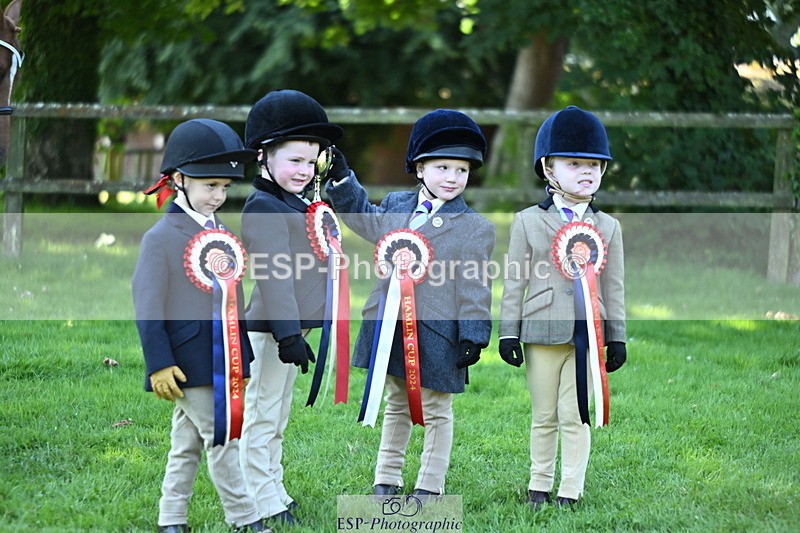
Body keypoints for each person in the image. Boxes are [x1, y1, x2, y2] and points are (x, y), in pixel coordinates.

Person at [325, 109, 495, 496]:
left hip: (437, 334)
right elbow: (365, 220)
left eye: (461, 170)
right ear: (419, 169)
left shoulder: (474, 228)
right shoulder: (397, 205)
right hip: (390, 326)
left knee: (436, 410)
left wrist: (474, 333)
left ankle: (430, 486)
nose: (453, 178)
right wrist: (341, 180)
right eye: (442, 168)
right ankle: (387, 477)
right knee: (396, 402)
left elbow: (475, 286)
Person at [132, 118, 269, 532]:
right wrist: (158, 363)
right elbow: (148, 307)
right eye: (210, 185)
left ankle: (171, 518)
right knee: (225, 438)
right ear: (178, 180)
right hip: (186, 361)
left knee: (186, 443)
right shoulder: (159, 237)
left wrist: (240, 358)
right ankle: (245, 518)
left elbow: (233, 303)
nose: (218, 196)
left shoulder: (221, 232)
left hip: (224, 357)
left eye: (225, 188)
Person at [498, 105, 627, 509]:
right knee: (544, 415)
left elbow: (615, 285)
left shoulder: (608, 227)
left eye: (594, 164)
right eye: (575, 163)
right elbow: (514, 281)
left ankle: (570, 488)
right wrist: (507, 331)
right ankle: (538, 484)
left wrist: (617, 335)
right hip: (540, 331)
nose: (587, 172)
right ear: (549, 168)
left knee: (576, 415)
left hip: (587, 335)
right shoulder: (527, 222)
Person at [238, 89, 344, 526]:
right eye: (294, 160)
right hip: (269, 331)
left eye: (311, 161)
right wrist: (286, 334)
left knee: (278, 415)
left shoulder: (299, 203)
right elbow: (274, 278)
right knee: (262, 415)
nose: (304, 170)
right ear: (264, 158)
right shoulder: (263, 207)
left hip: (293, 332)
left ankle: (274, 487)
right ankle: (257, 499)